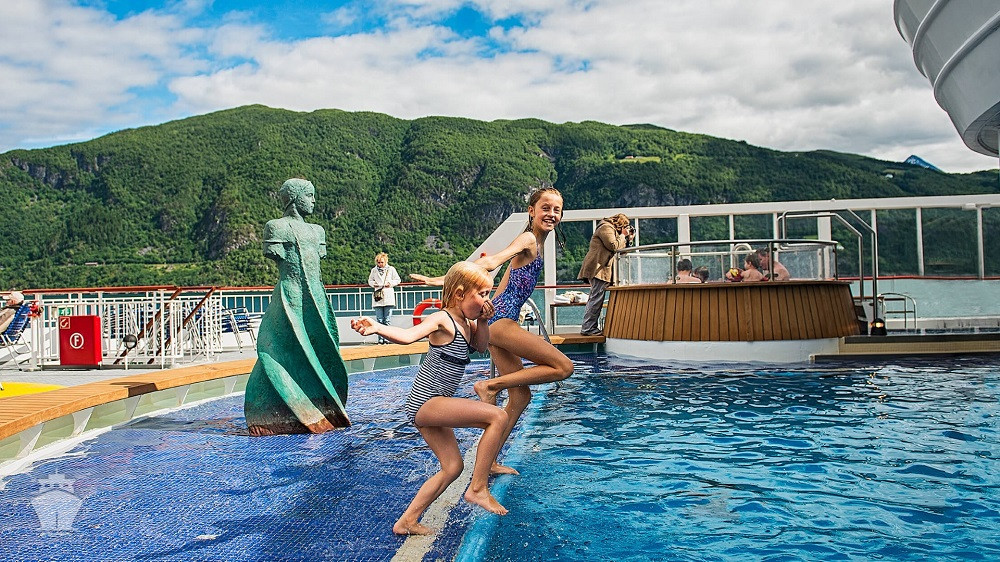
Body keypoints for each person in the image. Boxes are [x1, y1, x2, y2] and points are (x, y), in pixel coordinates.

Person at [412, 187, 574, 475]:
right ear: (532, 211)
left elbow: (501, 279)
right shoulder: (528, 239)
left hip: (498, 319)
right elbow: (490, 263)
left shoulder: (538, 242)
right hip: (501, 321)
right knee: (563, 367)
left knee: (521, 397)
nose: (551, 214)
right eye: (545, 208)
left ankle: (490, 462)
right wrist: (445, 279)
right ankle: (489, 386)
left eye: (556, 210)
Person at [351, 261, 509, 534]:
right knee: (498, 416)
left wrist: (483, 320)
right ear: (459, 294)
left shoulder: (467, 323)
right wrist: (377, 327)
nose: (487, 300)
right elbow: (408, 336)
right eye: (482, 294)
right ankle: (478, 488)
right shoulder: (442, 319)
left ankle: (407, 521)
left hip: (434, 404)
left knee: (453, 467)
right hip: (426, 402)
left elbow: (482, 346)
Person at [244, 178, 350, 435]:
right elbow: (278, 256)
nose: (313, 201)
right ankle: (264, 412)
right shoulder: (276, 227)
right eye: (309, 195)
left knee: (321, 346)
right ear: (294, 197)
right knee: (276, 348)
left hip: (317, 298)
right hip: (289, 297)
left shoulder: (317, 231)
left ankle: (322, 405)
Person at [577, 213, 632, 335]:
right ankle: (588, 328)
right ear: (620, 223)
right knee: (596, 298)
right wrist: (623, 235)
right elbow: (613, 246)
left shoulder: (613, 231)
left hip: (603, 270)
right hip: (598, 269)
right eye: (625, 226)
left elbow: (621, 251)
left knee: (597, 298)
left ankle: (589, 327)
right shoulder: (605, 227)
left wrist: (628, 239)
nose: (626, 229)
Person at [368, 252, 401, 344]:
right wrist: (374, 284)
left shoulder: (391, 269)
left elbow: (398, 280)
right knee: (379, 320)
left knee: (387, 320)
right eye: (378, 262)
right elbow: (370, 280)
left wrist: (390, 284)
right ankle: (380, 340)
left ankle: (387, 339)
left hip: (388, 296)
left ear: (385, 261)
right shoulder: (374, 270)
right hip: (378, 297)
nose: (380, 264)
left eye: (382, 262)